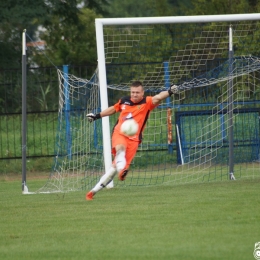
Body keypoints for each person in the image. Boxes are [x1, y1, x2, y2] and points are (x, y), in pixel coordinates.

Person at [86, 81, 178, 200]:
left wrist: (170, 91)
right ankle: (123, 170)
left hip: (134, 140)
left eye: (137, 93)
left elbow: (158, 97)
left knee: (114, 168)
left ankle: (92, 192)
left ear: (142, 93)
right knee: (120, 149)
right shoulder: (124, 101)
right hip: (119, 133)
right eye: (132, 92)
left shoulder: (147, 102)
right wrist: (96, 116)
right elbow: (113, 109)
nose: (134, 95)